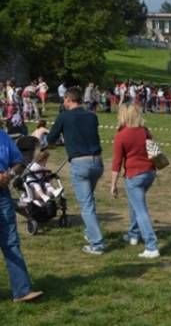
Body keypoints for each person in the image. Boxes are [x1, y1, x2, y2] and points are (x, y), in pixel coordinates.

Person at [47, 87, 105, 255]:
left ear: (69, 99)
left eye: (64, 100)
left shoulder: (64, 116)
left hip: (80, 163)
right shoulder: (92, 116)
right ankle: (90, 232)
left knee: (86, 205)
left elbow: (51, 138)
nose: (63, 103)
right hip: (97, 161)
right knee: (89, 201)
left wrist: (57, 141)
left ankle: (97, 244)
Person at [110, 104, 160, 259]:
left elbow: (117, 162)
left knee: (140, 210)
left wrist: (113, 184)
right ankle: (133, 234)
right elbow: (154, 149)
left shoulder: (121, 135)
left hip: (134, 175)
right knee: (134, 204)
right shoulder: (144, 131)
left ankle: (151, 246)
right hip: (149, 173)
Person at [0, 129, 43, 302]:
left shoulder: (2, 135)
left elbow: (19, 161)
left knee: (11, 242)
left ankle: (22, 291)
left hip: (2, 195)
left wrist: (9, 175)